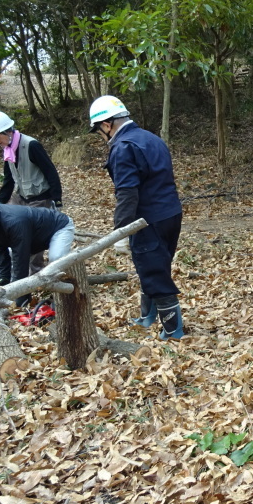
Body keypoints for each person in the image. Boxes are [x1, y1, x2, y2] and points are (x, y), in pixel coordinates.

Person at [88, 95, 185, 340]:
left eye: (99, 130)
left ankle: (173, 331)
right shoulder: (151, 137)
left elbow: (127, 193)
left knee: (153, 271)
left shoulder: (122, 147)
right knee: (152, 266)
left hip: (148, 219)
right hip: (171, 213)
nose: (101, 136)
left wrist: (121, 231)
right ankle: (147, 316)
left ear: (107, 124)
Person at [0, 200, 75, 308]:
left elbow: (21, 260)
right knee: (12, 265)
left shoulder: (14, 221)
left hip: (58, 227)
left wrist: (20, 297)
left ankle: (64, 295)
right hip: (32, 238)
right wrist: (4, 282)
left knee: (56, 260)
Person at [0, 110, 63, 275]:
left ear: (8, 131)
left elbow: (50, 171)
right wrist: (0, 202)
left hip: (39, 198)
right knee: (8, 229)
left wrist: (57, 198)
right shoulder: (8, 149)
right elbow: (8, 178)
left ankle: (37, 275)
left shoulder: (31, 145)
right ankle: (15, 272)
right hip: (20, 196)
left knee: (34, 240)